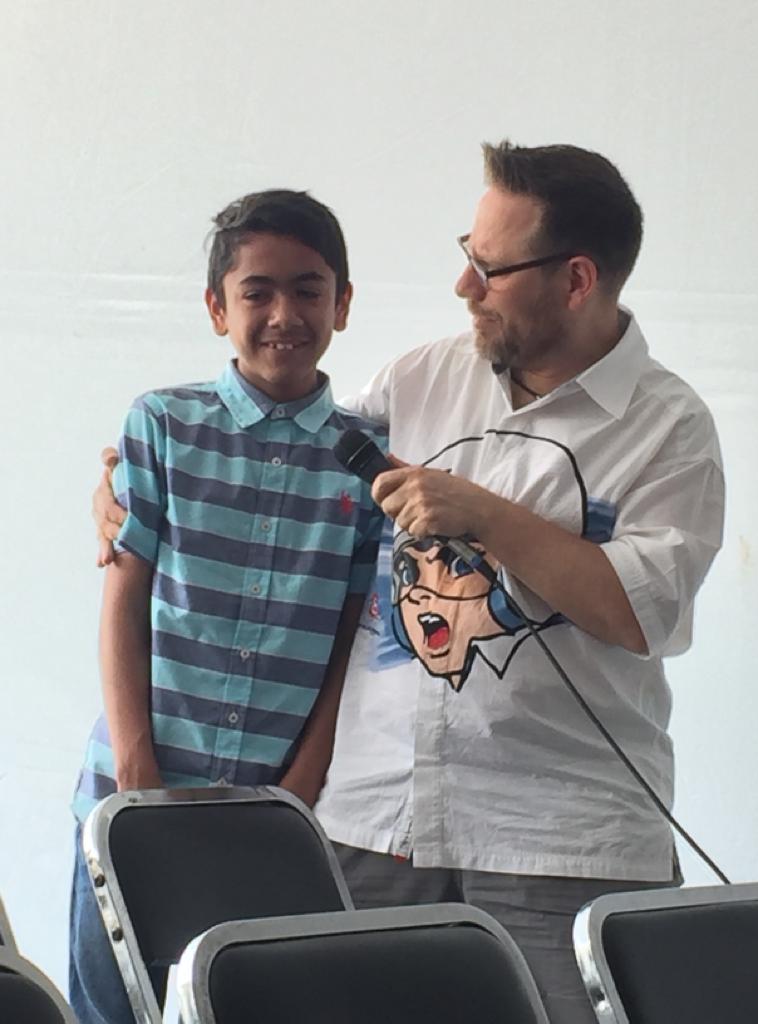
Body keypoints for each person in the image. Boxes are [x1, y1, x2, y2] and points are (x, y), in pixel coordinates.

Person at [93, 144, 724, 1024]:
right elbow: (280, 447)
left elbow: (639, 611)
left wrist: (487, 516)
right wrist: (124, 484)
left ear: (577, 280)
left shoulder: (670, 427)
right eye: (468, 253)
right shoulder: (421, 377)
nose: (464, 286)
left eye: (489, 268)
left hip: (557, 844)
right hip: (371, 825)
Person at [72, 189, 385, 1024]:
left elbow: (353, 637)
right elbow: (124, 602)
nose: (285, 314)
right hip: (131, 800)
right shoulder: (164, 424)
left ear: (342, 304)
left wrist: (302, 784)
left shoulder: (367, 460)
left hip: (266, 819)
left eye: (309, 290)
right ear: (218, 308)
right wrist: (136, 778)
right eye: (257, 292)